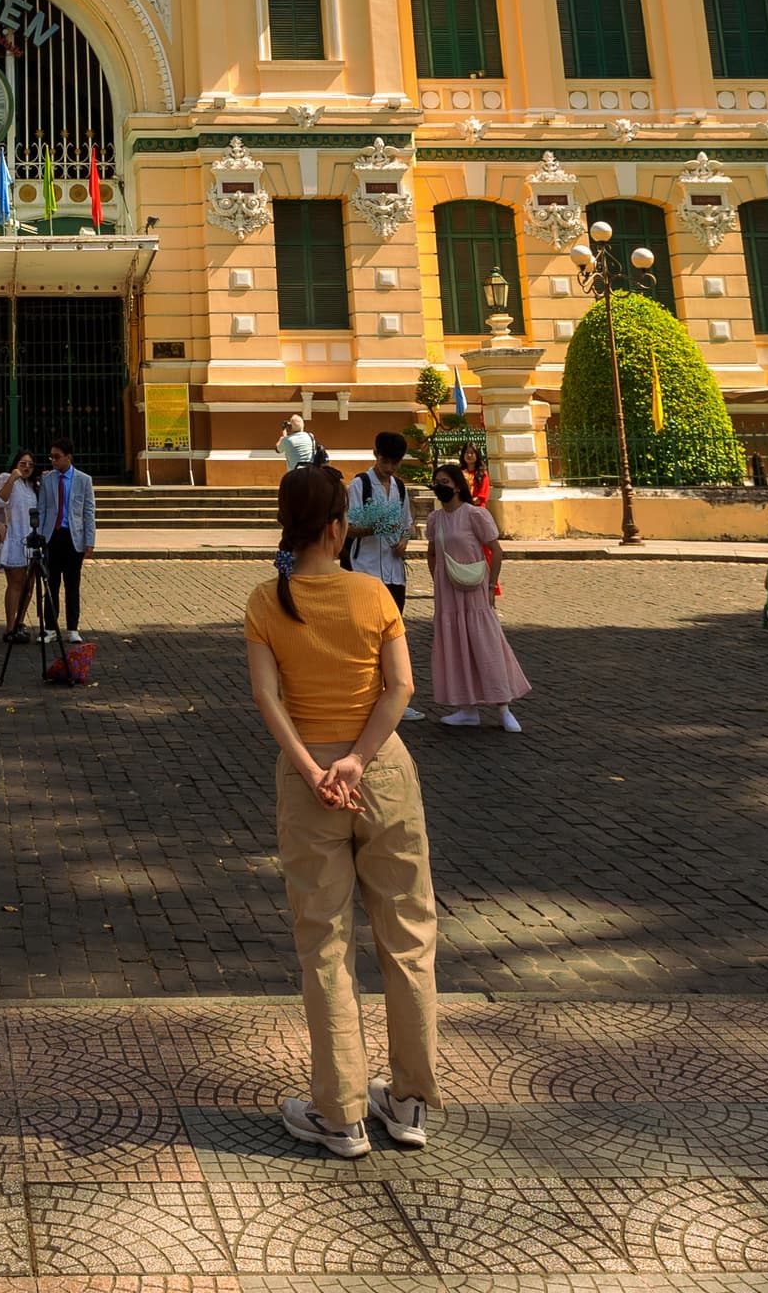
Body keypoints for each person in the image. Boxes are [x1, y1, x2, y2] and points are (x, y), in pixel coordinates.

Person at [242, 460, 438, 1160]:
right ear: (338, 525)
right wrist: (357, 760)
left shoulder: (269, 600)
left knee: (324, 943)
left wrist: (316, 770)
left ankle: (341, 1113)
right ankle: (410, 1101)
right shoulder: (374, 596)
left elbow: (268, 699)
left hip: (310, 781)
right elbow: (401, 687)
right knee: (408, 937)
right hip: (381, 769)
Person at [421, 468, 527, 732]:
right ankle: (466, 707)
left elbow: (496, 550)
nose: (439, 486)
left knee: (486, 644)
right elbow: (432, 552)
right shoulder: (436, 519)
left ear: (457, 486)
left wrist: (492, 584)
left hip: (475, 589)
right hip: (448, 592)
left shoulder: (475, 514)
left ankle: (503, 707)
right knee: (456, 645)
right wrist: (438, 580)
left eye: (444, 482)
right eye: (437, 482)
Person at [36, 436, 95, 645]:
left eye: (57, 457)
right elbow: (42, 509)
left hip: (73, 538)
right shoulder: (48, 479)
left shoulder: (83, 480)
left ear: (68, 457)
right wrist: (41, 538)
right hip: (53, 536)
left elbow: (89, 511)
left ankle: (72, 628)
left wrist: (90, 541)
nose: (53, 460)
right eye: (51, 457)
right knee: (51, 585)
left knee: (72, 585)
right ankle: (50, 627)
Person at [346, 433, 415, 607]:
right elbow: (348, 528)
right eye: (385, 461)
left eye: (395, 463)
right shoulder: (360, 485)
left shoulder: (399, 487)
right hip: (366, 568)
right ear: (376, 455)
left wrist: (404, 542)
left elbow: (407, 524)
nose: (390, 468)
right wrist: (376, 528)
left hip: (394, 572)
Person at [0, 448, 42, 643]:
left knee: (30, 585)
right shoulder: (6, 478)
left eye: (30, 464)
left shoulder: (33, 485)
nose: (27, 467)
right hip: (14, 538)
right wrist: (12, 478)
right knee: (16, 583)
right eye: (23, 463)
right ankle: (10, 627)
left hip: (32, 539)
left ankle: (20, 622)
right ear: (15, 464)